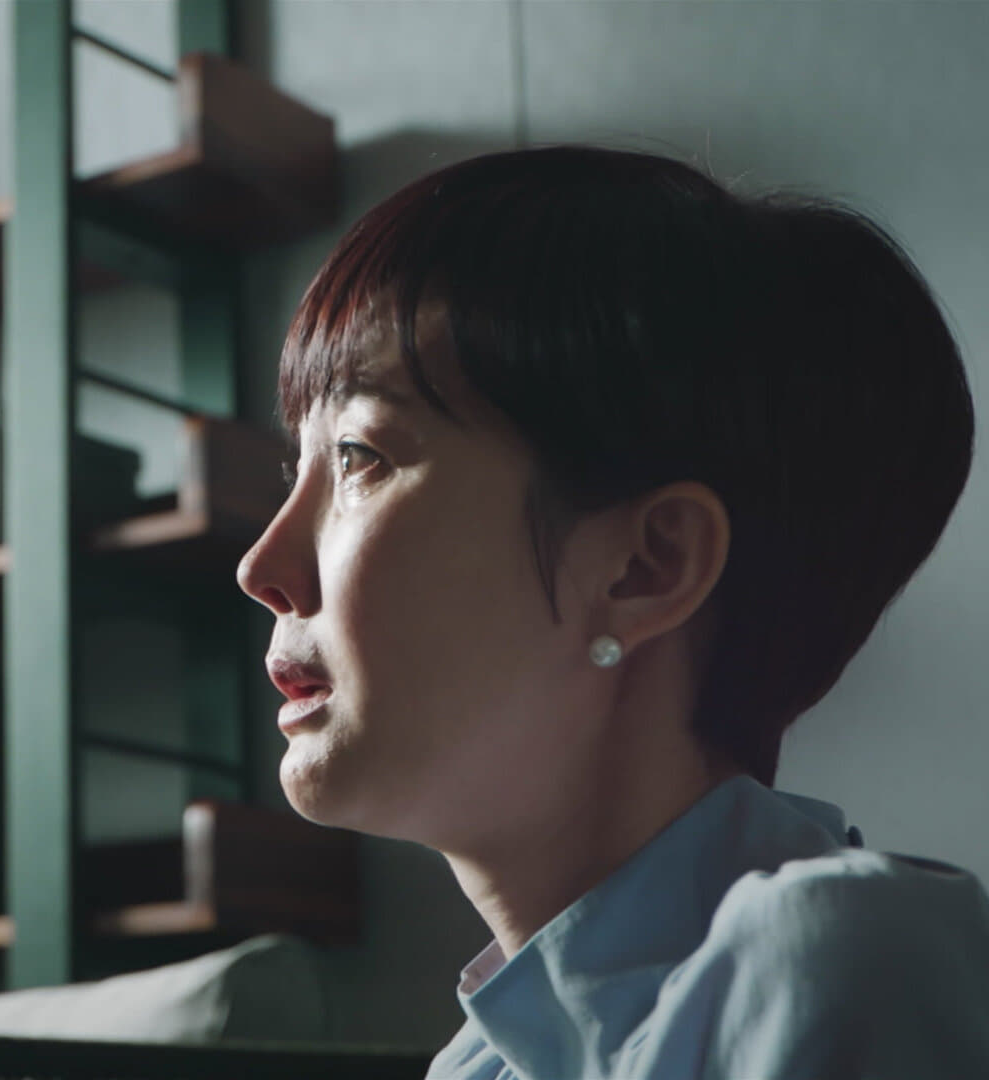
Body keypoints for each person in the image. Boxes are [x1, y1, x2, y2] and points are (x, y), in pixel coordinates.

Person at [236, 146, 988, 1077]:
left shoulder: (841, 968)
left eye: (360, 457)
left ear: (646, 567)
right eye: (299, 466)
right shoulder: (480, 1066)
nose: (262, 567)